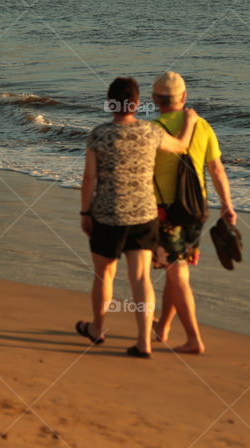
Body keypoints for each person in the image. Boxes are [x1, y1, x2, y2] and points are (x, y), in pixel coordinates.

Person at [77, 77, 198, 358]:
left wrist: (85, 211)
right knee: (141, 278)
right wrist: (190, 121)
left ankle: (97, 329)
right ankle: (144, 341)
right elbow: (181, 146)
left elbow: (89, 178)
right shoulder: (150, 131)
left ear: (110, 103)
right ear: (137, 103)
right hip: (144, 214)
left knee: (104, 275)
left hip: (107, 214)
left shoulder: (98, 134)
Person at [151, 71, 236, 355]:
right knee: (177, 269)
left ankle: (193, 339)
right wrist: (227, 204)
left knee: (177, 273)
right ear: (184, 97)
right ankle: (162, 328)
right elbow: (216, 169)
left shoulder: (152, 128)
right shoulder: (202, 125)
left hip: (166, 211)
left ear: (154, 99)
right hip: (197, 207)